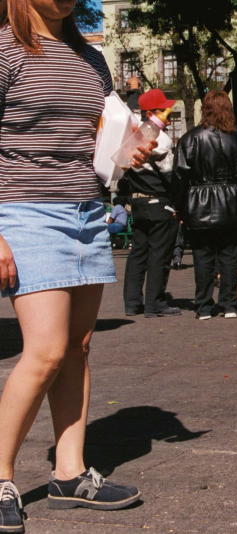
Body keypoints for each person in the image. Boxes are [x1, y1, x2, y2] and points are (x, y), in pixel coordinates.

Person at [0, 1, 149, 530]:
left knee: (77, 348)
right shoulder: (6, 50)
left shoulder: (91, 58)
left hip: (87, 209)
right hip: (25, 210)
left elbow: (97, 135)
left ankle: (69, 472)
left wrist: (129, 150)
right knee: (43, 352)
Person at [174, 90, 237, 320]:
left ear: (204, 109)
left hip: (199, 201)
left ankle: (204, 306)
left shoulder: (190, 138)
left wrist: (179, 206)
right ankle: (229, 304)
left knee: (202, 255)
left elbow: (179, 175)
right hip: (231, 200)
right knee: (229, 255)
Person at [119, 88, 181, 318]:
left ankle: (132, 303)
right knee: (159, 254)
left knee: (138, 253)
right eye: (165, 110)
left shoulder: (130, 137)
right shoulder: (160, 139)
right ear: (152, 113)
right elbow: (169, 174)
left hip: (138, 202)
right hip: (159, 202)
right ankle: (155, 303)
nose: (169, 116)